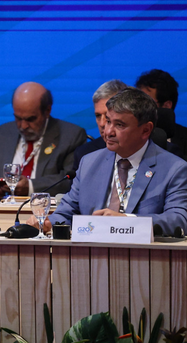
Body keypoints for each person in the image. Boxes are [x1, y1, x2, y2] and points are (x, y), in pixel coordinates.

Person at [29, 88, 187, 235]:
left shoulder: (174, 169)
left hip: (144, 258)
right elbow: (68, 210)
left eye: (119, 125)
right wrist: (48, 221)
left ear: (145, 130)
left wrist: (126, 221)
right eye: (109, 121)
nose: (108, 131)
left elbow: (179, 220)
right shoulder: (89, 162)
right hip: (89, 256)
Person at [0, 82, 86, 199]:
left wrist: (31, 187)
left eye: (30, 119)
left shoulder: (71, 136)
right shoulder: (1, 134)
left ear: (47, 111)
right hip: (5, 209)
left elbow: (71, 180)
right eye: (18, 118)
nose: (23, 126)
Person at [73, 80, 129, 172]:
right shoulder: (85, 154)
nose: (102, 123)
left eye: (107, 116)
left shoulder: (150, 151)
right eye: (98, 116)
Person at [136, 69, 187, 157]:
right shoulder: (130, 136)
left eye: (146, 102)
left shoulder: (184, 139)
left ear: (166, 105)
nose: (138, 107)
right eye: (137, 101)